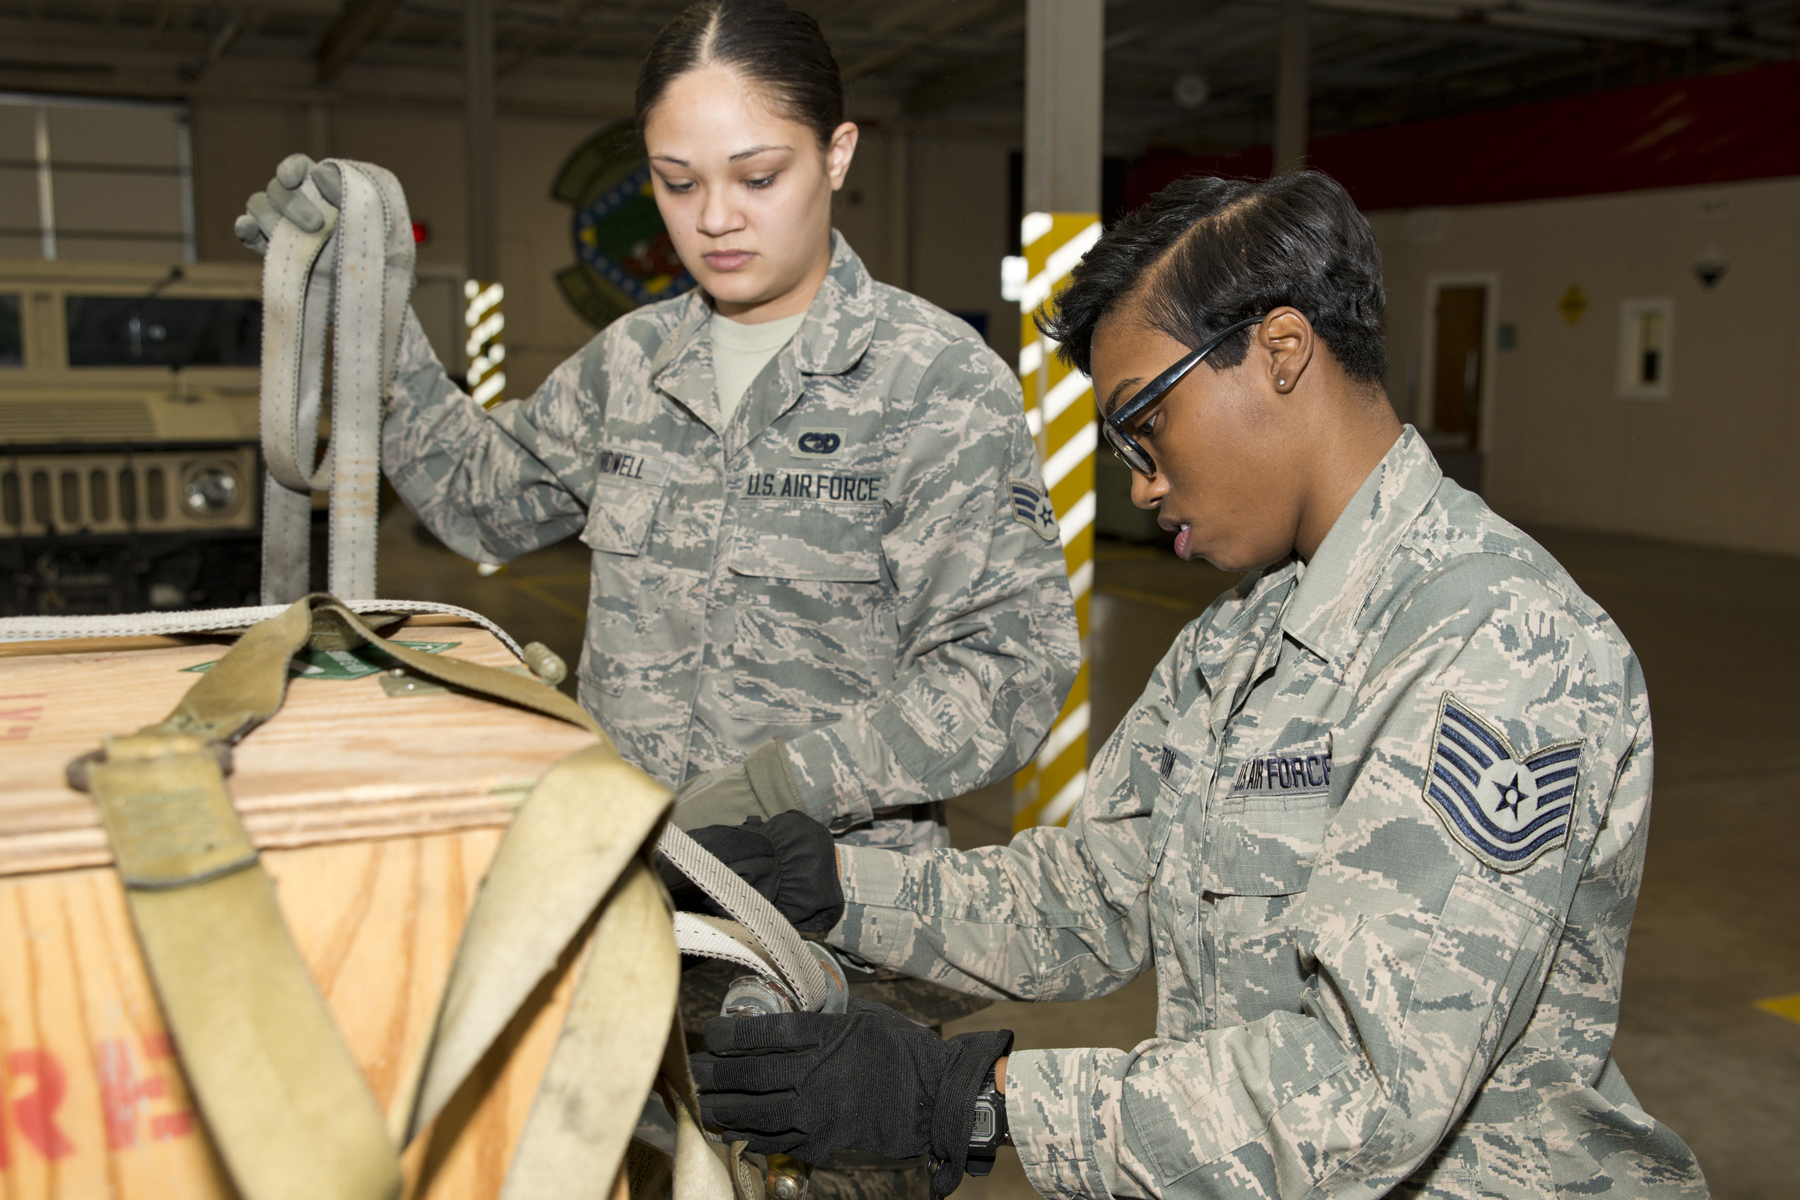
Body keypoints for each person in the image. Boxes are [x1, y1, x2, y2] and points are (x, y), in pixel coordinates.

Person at [683, 171, 1709, 1199]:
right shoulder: (1242, 635)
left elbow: (1366, 1092)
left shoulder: (1496, 643)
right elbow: (1089, 897)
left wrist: (972, 1096)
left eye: (1145, 424)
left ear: (1281, 351)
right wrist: (817, 883)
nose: (1139, 480)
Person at [234, 0, 1077, 866]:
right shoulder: (633, 362)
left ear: (837, 153)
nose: (714, 219)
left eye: (757, 178)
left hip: (834, 907)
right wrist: (362, 301)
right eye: (678, 182)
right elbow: (477, 499)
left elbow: (1006, 674)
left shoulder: (934, 381)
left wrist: (782, 788)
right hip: (627, 871)